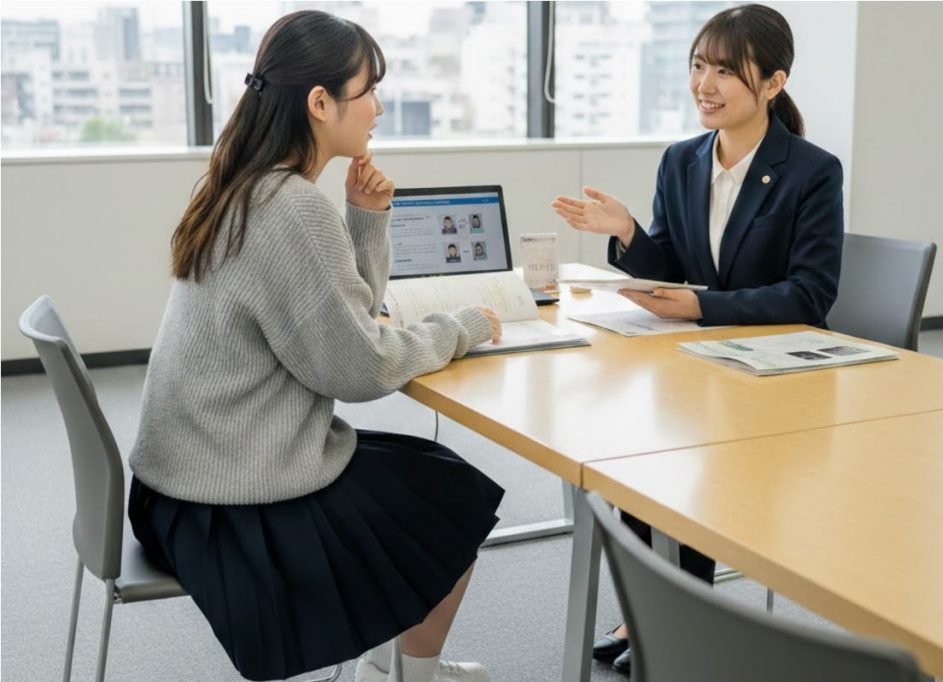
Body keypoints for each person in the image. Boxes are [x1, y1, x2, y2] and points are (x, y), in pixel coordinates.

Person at [128, 11, 503, 682]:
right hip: (230, 503)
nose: (379, 108)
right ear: (321, 102)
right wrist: (463, 326)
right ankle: (409, 675)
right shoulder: (292, 208)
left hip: (179, 486)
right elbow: (362, 367)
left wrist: (364, 223)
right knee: (454, 498)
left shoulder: (245, 184)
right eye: (369, 91)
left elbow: (345, 323)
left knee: (425, 476)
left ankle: (389, 669)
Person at [551, 4, 843, 675]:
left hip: (783, 374)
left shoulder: (811, 171)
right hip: (703, 360)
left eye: (724, 71)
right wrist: (627, 233)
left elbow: (809, 294)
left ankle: (665, 621)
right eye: (697, 66)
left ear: (772, 83)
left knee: (687, 461)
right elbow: (674, 271)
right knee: (637, 450)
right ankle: (653, 614)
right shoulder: (681, 160)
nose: (703, 84)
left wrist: (702, 306)